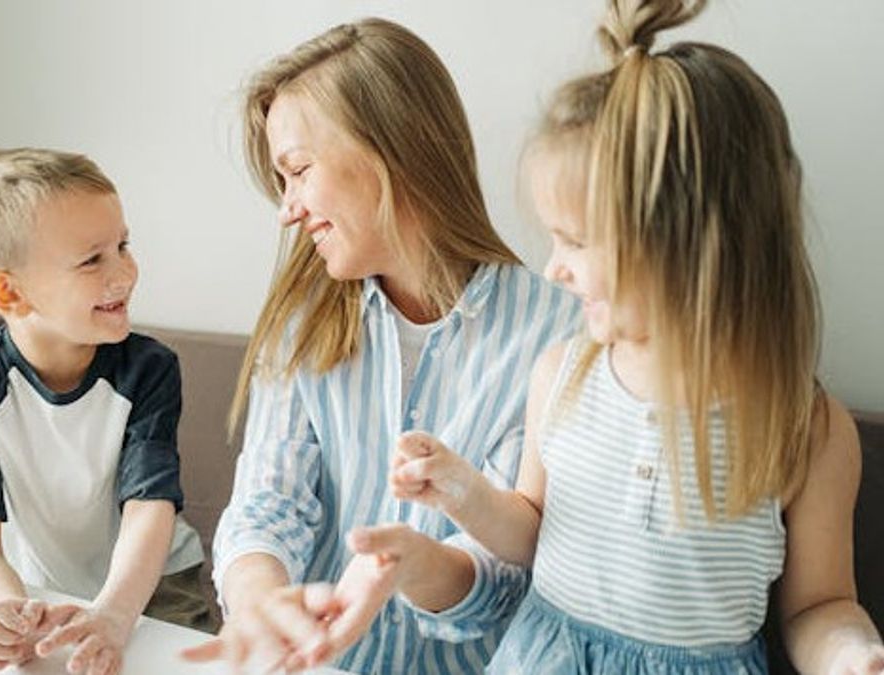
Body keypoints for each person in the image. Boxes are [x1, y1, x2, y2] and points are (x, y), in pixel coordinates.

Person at [367, 1, 884, 673]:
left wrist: (852, 653)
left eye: (576, 241)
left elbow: (817, 605)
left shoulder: (806, 431)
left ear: (690, 248)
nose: (553, 267)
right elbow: (530, 530)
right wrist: (461, 491)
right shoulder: (562, 375)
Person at [181, 18, 579, 674]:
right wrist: (257, 599)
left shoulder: (554, 336)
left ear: (393, 151)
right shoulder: (301, 318)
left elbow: (509, 571)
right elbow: (267, 500)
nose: (288, 208)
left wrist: (414, 568)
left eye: (299, 171)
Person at [0, 148, 213, 675]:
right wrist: (4, 613)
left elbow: (149, 508)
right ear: (7, 291)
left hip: (153, 583)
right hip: (40, 590)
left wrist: (113, 613)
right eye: (92, 259)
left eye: (123, 246)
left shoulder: (149, 369)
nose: (124, 272)